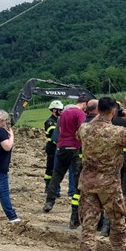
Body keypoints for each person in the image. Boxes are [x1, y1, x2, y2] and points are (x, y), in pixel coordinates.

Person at [77, 96, 126, 251]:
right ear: (113, 111)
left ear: (98, 111)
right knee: (117, 221)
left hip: (88, 184)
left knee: (88, 228)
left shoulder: (85, 129)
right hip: (110, 185)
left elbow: (78, 134)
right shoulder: (118, 132)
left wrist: (98, 117)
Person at [43, 96, 88, 230]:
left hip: (61, 148)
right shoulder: (79, 113)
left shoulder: (63, 114)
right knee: (76, 179)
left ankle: (49, 201)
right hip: (74, 148)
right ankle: (75, 214)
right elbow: (83, 129)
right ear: (84, 103)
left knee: (56, 175)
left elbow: (59, 131)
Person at [42, 100, 63, 192]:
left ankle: (54, 187)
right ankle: (48, 186)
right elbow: (54, 135)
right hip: (52, 146)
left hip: (57, 146)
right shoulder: (50, 122)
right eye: (60, 110)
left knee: (56, 167)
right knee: (51, 167)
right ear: (54, 110)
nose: (61, 111)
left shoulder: (58, 120)